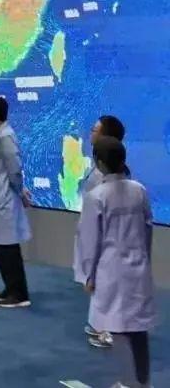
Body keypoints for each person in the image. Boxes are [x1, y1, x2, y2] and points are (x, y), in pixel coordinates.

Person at [77, 136, 155, 388]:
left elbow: (90, 240)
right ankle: (142, 382)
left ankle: (131, 383)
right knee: (138, 329)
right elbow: (148, 229)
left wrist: (88, 275)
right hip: (138, 267)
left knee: (118, 329)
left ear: (99, 163)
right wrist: (144, 259)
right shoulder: (139, 190)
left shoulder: (97, 196)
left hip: (110, 271)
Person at [73, 115, 125, 348]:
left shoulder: (107, 177)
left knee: (104, 281)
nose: (90, 134)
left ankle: (107, 330)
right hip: (97, 233)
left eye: (95, 130)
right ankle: (100, 324)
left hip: (106, 239)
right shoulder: (99, 170)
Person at [0, 95, 33, 309]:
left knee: (8, 249)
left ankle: (19, 294)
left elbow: (14, 169)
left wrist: (21, 192)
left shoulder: (6, 136)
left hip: (5, 202)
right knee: (1, 248)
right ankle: (10, 288)